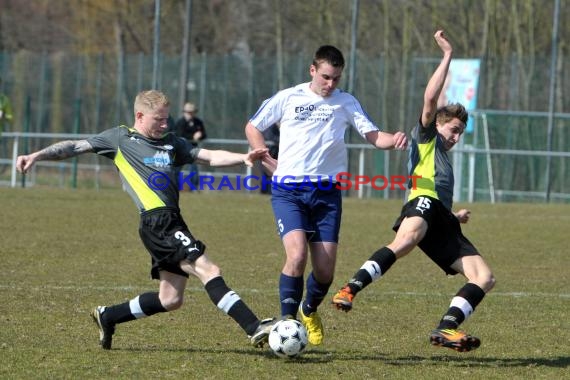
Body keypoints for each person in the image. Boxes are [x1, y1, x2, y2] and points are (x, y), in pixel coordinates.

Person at [16, 90, 279, 350]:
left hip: (171, 221)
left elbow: (206, 156)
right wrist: (36, 156)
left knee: (171, 298)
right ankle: (254, 327)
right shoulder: (120, 138)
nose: (165, 124)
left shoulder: (172, 142)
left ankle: (108, 316)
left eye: (167, 118)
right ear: (140, 116)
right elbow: (74, 146)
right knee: (208, 270)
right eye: (159, 120)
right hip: (158, 222)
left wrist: (243, 158)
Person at [331, 30, 496, 352]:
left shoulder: (444, 159)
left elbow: (440, 196)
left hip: (442, 218)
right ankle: (350, 288)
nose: (456, 137)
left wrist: (453, 215)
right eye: (454, 129)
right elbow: (430, 99)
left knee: (484, 277)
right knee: (405, 241)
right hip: (421, 203)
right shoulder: (426, 137)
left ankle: (447, 328)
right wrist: (447, 55)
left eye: (461, 132)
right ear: (438, 124)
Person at [245, 45, 408, 346]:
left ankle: (309, 310)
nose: (330, 84)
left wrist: (392, 140)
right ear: (312, 70)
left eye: (335, 78)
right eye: (325, 77)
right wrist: (264, 156)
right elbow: (253, 126)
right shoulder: (288, 97)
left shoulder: (345, 102)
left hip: (326, 194)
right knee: (296, 255)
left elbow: (373, 135)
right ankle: (287, 322)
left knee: (325, 270)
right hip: (288, 190)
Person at [174, 102, 207, 190]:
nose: (190, 114)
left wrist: (200, 135)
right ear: (184, 112)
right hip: (180, 149)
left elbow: (204, 134)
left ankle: (194, 188)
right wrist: (193, 136)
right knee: (176, 169)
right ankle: (175, 187)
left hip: (193, 149)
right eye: (188, 112)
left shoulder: (198, 122)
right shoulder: (180, 122)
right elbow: (180, 134)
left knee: (194, 169)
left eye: (191, 112)